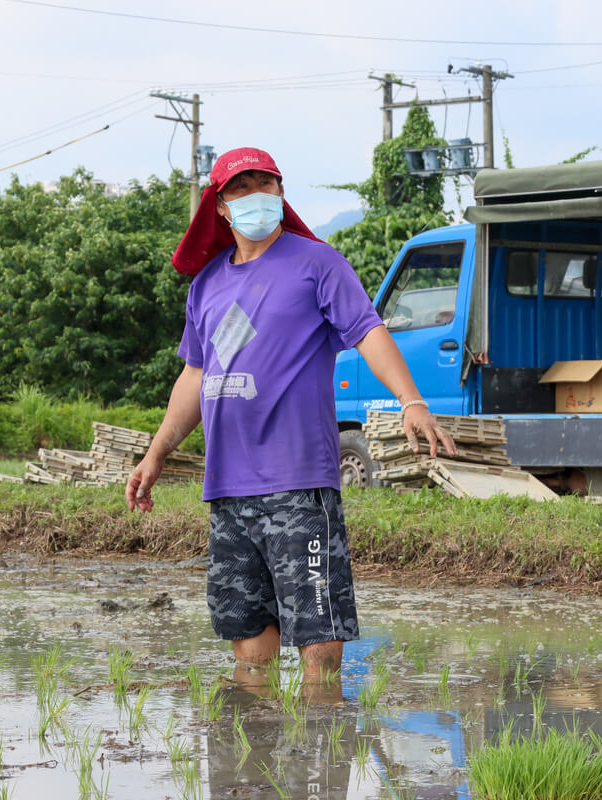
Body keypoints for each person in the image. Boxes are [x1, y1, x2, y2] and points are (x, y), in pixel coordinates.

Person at [126, 147, 455, 682]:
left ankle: (321, 753)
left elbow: (369, 331)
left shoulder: (317, 263)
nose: (256, 195)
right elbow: (194, 376)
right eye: (240, 187)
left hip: (298, 486)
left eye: (266, 183)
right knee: (250, 651)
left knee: (318, 644)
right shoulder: (207, 285)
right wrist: (155, 454)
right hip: (228, 491)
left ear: (281, 194)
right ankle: (251, 765)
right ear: (221, 208)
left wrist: (411, 401)